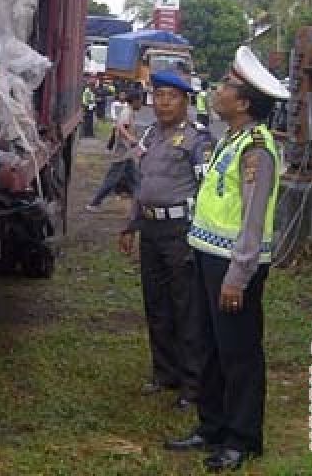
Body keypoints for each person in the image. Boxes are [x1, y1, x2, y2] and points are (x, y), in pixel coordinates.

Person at [166, 45, 287, 472]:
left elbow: (252, 221)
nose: (217, 92)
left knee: (238, 354)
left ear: (244, 100)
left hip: (234, 265)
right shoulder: (230, 140)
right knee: (208, 348)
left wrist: (238, 277)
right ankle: (211, 426)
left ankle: (242, 438)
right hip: (207, 257)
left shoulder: (257, 149)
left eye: (225, 86)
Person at [119, 70, 212, 410]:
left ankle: (192, 384)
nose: (163, 103)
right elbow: (142, 185)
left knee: (186, 307)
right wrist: (131, 225)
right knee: (156, 303)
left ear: (185, 101)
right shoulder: (150, 136)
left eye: (171, 97)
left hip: (181, 232)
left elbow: (206, 190)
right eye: (158, 96)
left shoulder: (197, 139)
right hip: (152, 230)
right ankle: (165, 373)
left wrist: (198, 234)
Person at [85, 90, 144, 212]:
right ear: (134, 101)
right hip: (121, 154)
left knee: (135, 179)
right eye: (140, 101)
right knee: (111, 180)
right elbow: (120, 128)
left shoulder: (130, 112)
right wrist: (131, 139)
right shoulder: (126, 112)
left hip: (127, 154)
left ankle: (141, 204)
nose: (141, 104)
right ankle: (94, 203)